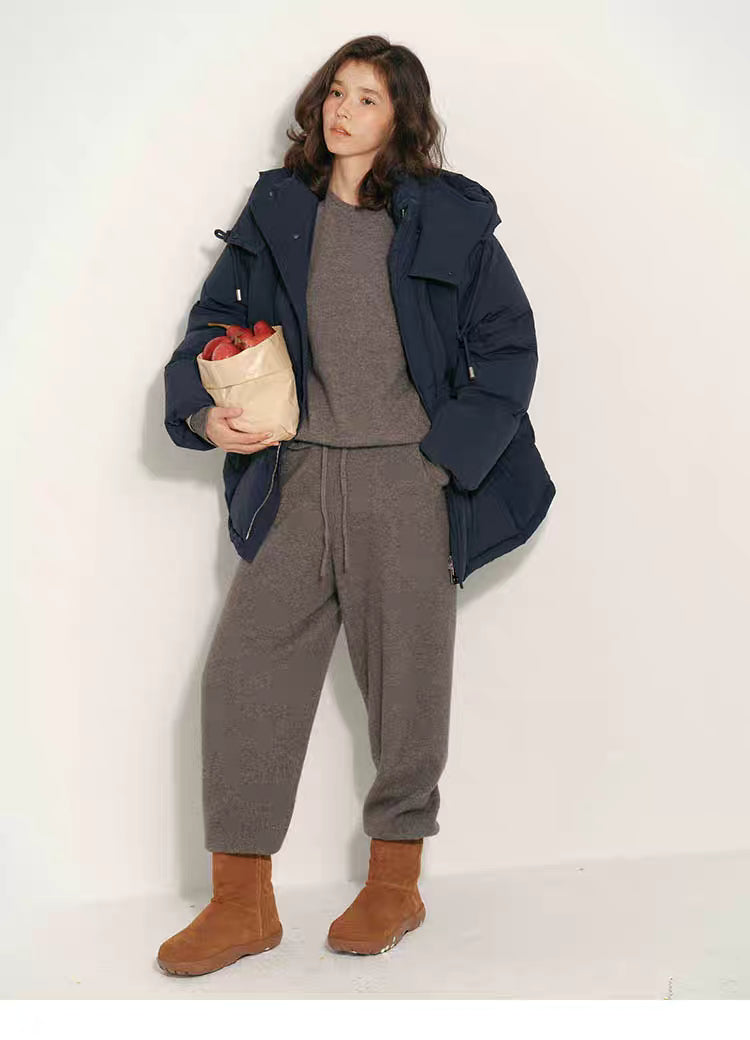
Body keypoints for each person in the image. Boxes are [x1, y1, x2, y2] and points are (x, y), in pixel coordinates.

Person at [158, 35, 555, 976]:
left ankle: (395, 882)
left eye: (368, 98)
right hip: (298, 475)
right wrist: (206, 416)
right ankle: (242, 902)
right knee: (245, 675)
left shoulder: (448, 218)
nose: (343, 111)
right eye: (337, 92)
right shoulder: (278, 210)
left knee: (408, 685)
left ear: (401, 116)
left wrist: (442, 463)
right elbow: (212, 327)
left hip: (405, 481)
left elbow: (508, 345)